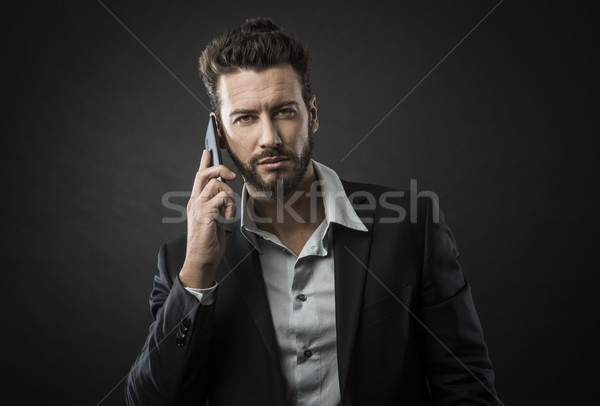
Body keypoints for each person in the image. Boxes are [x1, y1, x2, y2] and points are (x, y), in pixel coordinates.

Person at [125, 17, 498, 406]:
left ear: (312, 114)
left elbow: (466, 386)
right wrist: (198, 274)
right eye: (246, 118)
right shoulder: (182, 265)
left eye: (284, 111)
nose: (269, 138)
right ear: (218, 135)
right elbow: (151, 401)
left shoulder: (411, 226)